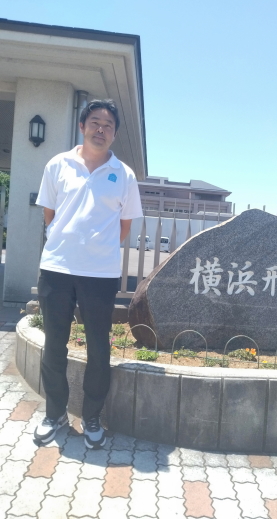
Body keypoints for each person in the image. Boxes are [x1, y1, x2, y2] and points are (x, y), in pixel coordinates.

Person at [33, 99, 142, 448]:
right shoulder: (57, 165)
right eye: (95, 122)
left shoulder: (123, 175)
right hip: (57, 268)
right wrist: (70, 243)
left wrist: (96, 249)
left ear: (115, 134)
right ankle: (55, 414)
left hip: (100, 274)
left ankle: (92, 416)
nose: (101, 129)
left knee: (98, 347)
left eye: (108, 125)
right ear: (82, 126)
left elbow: (124, 226)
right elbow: (50, 214)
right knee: (54, 345)